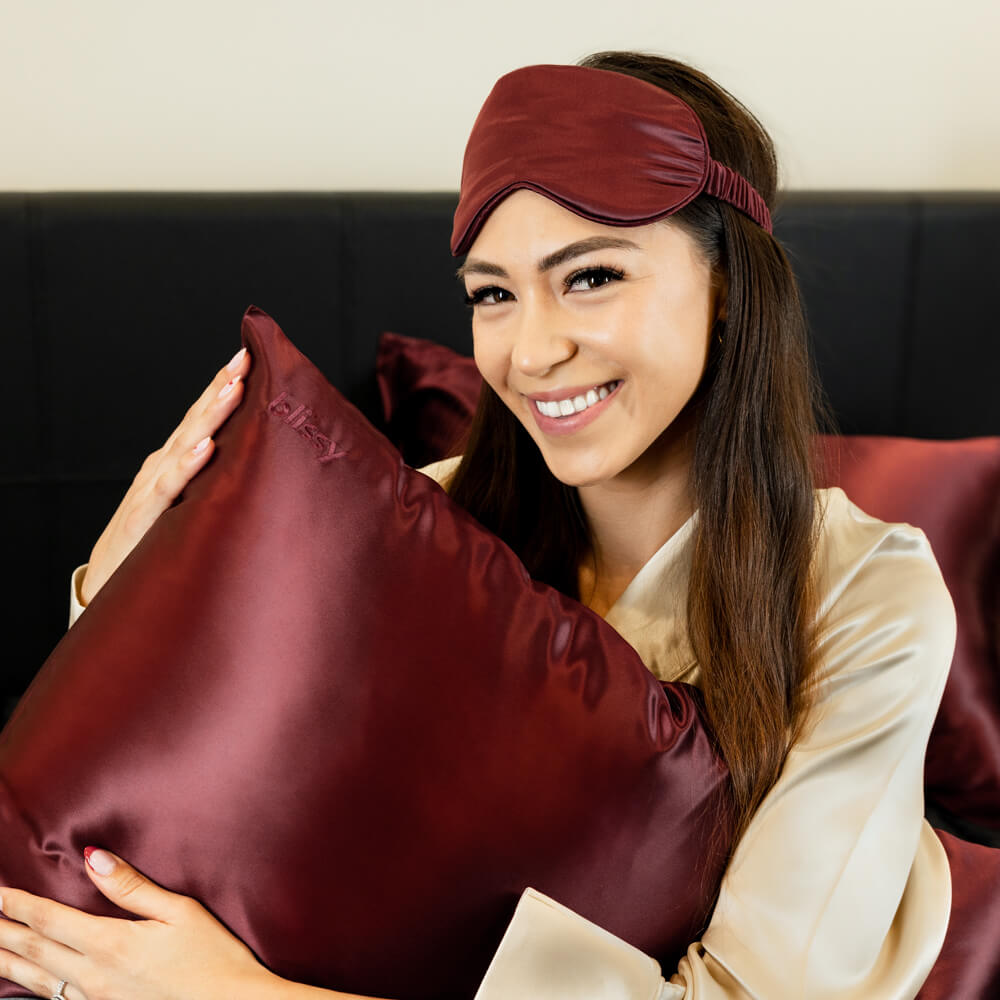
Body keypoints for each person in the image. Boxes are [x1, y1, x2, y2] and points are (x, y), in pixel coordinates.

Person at [0, 51, 956, 1000]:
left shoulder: (867, 594)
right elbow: (241, 756)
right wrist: (118, 588)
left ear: (729, 287)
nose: (532, 351)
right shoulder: (430, 519)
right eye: (493, 294)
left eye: (590, 278)